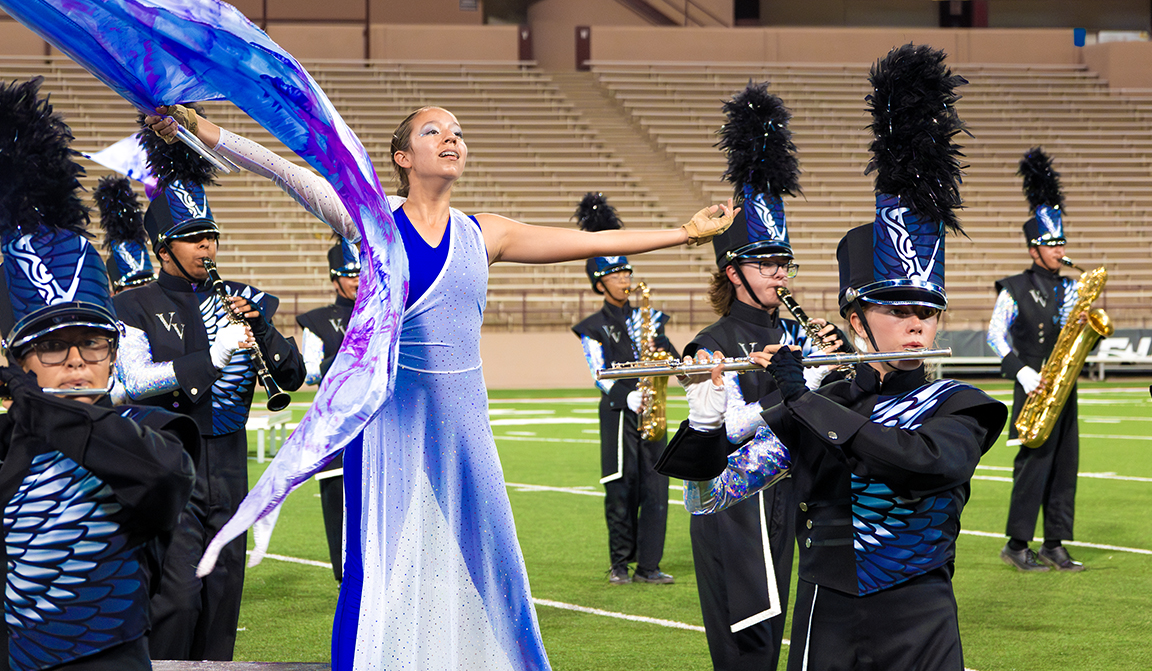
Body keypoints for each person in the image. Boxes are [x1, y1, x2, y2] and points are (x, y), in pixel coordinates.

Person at [144, 103, 734, 671]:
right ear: (402, 156)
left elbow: (585, 243)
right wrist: (200, 128)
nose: (451, 138)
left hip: (464, 419)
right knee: (376, 561)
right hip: (390, 419)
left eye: (457, 132)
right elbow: (282, 168)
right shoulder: (371, 219)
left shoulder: (485, 233)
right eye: (433, 132)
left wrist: (683, 233)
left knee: (492, 555)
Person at [662, 45, 1007, 671]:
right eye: (897, 313)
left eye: (926, 315)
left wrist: (800, 398)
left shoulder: (961, 404)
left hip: (922, 622)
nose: (914, 329)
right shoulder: (832, 400)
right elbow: (710, 499)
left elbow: (921, 463)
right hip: (826, 621)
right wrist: (711, 422)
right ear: (856, 321)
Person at [0, 76, 197, 671]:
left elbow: (163, 482)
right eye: (55, 350)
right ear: (21, 359)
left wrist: (39, 404)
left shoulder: (153, 431)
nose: (78, 364)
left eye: (93, 346)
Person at [112, 113, 307, 661]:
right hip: (169, 458)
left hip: (229, 459)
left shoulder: (247, 296)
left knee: (224, 591)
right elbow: (129, 385)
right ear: (162, 247)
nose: (206, 248)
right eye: (191, 238)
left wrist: (262, 330)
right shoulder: (133, 305)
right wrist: (207, 360)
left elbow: (292, 377)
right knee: (177, 596)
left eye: (210, 236)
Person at [672, 82, 843, 671]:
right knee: (749, 648)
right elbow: (716, 439)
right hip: (740, 508)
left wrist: (837, 366)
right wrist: (806, 389)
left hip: (801, 501)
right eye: (766, 262)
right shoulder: (709, 343)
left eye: (784, 262)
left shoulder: (799, 331)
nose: (779, 273)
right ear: (732, 269)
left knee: (807, 641)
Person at [571, 192, 676, 586]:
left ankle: (649, 565)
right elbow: (598, 371)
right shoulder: (592, 326)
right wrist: (625, 395)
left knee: (656, 488)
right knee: (620, 487)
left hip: (652, 410)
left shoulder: (652, 318)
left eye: (627, 273)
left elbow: (668, 354)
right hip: (618, 412)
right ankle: (620, 563)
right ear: (600, 282)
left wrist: (678, 366)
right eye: (616, 274)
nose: (625, 279)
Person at [988, 148, 1085, 572]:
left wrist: (1083, 328)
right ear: (1033, 250)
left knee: (1066, 465)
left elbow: (1080, 340)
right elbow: (995, 335)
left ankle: (1055, 543)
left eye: (1062, 241)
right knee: (1033, 467)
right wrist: (1024, 372)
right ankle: (1017, 543)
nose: (1060, 250)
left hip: (1066, 385)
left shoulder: (1072, 288)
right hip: (1034, 384)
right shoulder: (1014, 288)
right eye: (1051, 244)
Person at [297, 238, 361, 582]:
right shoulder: (317, 321)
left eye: (360, 272)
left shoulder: (383, 312)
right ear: (335, 278)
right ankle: (343, 577)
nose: (356, 280)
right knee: (337, 502)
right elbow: (307, 373)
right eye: (349, 274)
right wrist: (344, 358)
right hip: (335, 425)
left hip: (380, 422)